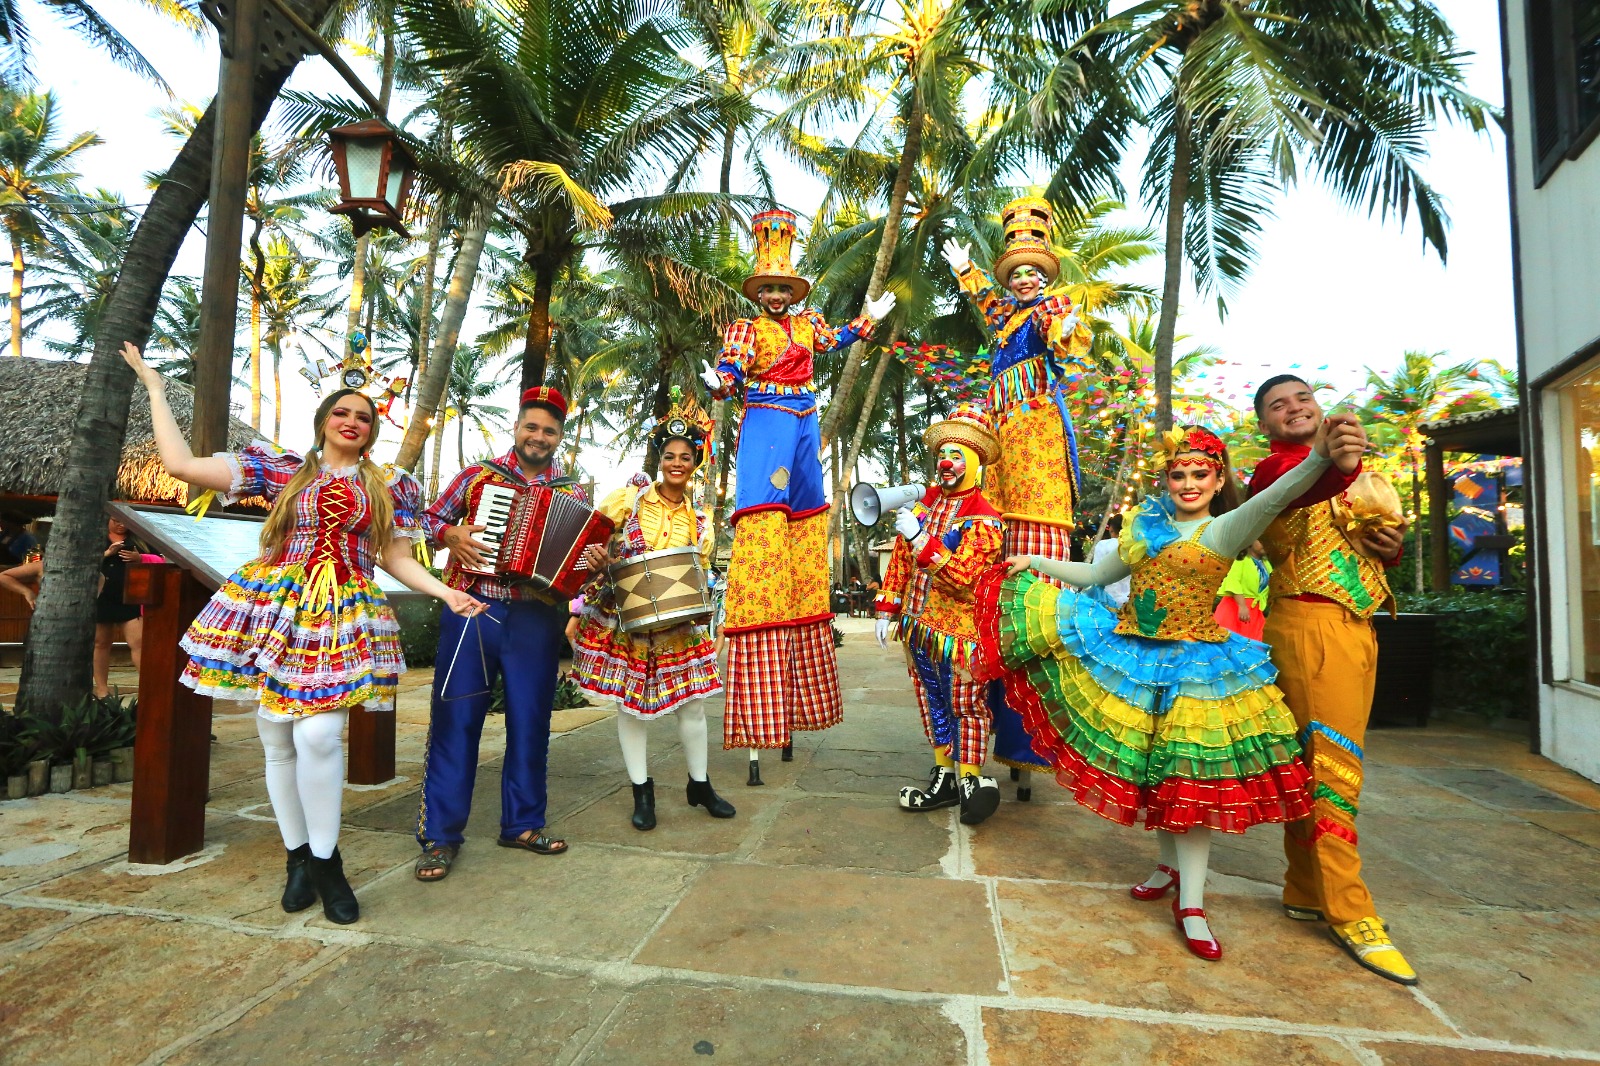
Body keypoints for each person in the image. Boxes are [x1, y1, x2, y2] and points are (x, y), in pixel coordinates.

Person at [979, 417, 1367, 961]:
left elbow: (1282, 491)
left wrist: (1321, 458)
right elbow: (1092, 577)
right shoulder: (1145, 527)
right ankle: (1166, 867)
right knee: (1150, 771)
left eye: (1200, 474)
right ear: (1166, 479)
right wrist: (1033, 562)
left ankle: (1192, 904)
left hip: (1197, 672)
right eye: (1178, 474)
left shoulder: (1228, 527)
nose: (1188, 483)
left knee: (1188, 784)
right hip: (1135, 660)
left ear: (1217, 478)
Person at [120, 341, 481, 925]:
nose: (353, 422)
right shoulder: (281, 468)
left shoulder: (389, 488)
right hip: (273, 609)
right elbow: (183, 467)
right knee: (279, 739)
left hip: (342, 611)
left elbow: (393, 557)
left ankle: (327, 859)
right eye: (343, 412)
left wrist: (445, 592)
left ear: (372, 430)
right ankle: (298, 859)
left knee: (320, 737)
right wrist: (158, 389)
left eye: (364, 417)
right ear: (324, 422)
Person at [700, 208, 895, 781]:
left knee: (809, 516)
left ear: (793, 289)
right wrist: (721, 379)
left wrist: (869, 318)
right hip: (766, 416)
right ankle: (760, 708)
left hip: (805, 416)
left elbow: (839, 339)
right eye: (772, 288)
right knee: (764, 514)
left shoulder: (808, 322)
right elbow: (731, 369)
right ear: (761, 291)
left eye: (786, 287)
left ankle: (799, 673)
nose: (779, 296)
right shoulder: (746, 328)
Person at [1251, 374, 1415, 985]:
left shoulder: (1353, 471)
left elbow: (1373, 541)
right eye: (1277, 405)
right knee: (1335, 769)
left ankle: (1305, 886)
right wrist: (1337, 461)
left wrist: (1391, 544)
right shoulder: (1276, 473)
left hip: (1357, 626)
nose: (1294, 408)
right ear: (1265, 425)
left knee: (1314, 764)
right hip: (1311, 627)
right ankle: (1350, 910)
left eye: (1302, 398)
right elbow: (1302, 492)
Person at [413, 386, 585, 882]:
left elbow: (577, 570)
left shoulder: (571, 493)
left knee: (531, 722)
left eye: (549, 430)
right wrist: (450, 534)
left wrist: (592, 563)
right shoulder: (477, 477)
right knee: (457, 720)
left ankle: (523, 825)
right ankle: (440, 837)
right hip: (472, 608)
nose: (539, 436)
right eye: (531, 426)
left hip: (535, 615)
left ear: (558, 437)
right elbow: (425, 521)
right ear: (516, 427)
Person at [572, 396, 735, 830]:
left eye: (685, 457)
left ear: (694, 463)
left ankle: (699, 785)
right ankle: (641, 792)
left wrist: (713, 622)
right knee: (631, 708)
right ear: (659, 459)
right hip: (626, 617)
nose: (676, 463)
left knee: (694, 707)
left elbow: (701, 576)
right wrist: (598, 560)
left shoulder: (702, 521)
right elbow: (592, 547)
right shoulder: (626, 501)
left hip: (678, 622)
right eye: (669, 456)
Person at [874, 406, 1007, 824]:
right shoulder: (925, 506)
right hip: (918, 629)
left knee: (965, 704)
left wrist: (922, 539)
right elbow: (899, 560)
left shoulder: (985, 519)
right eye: (943, 453)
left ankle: (971, 778)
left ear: (974, 462)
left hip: (960, 634)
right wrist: (886, 607)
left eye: (956, 455)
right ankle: (944, 775)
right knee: (930, 699)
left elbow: (964, 577)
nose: (945, 462)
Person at [93, 518, 164, 697]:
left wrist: (139, 558)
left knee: (138, 642)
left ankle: (149, 687)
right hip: (102, 595)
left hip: (131, 596)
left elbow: (162, 560)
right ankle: (102, 689)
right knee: (101, 643)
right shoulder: (98, 538)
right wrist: (107, 554)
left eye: (124, 521)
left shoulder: (140, 539)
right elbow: (83, 562)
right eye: (116, 521)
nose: (120, 524)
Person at [1214, 541, 1271, 641]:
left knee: (1252, 646)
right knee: (1230, 645)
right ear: (1251, 541)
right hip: (1235, 608)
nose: (1265, 543)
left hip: (1255, 610)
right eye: (1261, 540)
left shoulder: (1266, 563)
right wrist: (1242, 605)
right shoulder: (1239, 559)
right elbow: (1233, 581)